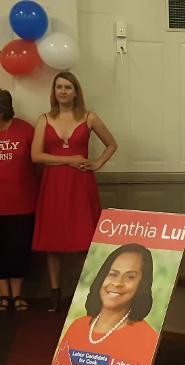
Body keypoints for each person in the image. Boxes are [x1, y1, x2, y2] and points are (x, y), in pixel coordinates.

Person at [32, 71, 118, 312]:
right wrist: (69, 159)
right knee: (52, 241)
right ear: (54, 91)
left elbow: (112, 144)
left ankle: (85, 292)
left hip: (81, 185)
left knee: (84, 240)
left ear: (76, 91)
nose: (63, 91)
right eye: (59, 87)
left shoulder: (90, 118)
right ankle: (55, 293)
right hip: (53, 185)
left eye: (68, 87)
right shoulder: (44, 119)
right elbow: (35, 155)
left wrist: (98, 163)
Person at [52, 243, 158, 365]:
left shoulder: (146, 337)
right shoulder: (77, 326)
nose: (118, 283)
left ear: (141, 285)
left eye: (130, 277)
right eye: (113, 274)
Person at [0, 89, 39, 311]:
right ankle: (3, 294)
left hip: (22, 202)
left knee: (19, 248)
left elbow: (38, 162)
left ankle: (18, 293)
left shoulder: (25, 130)